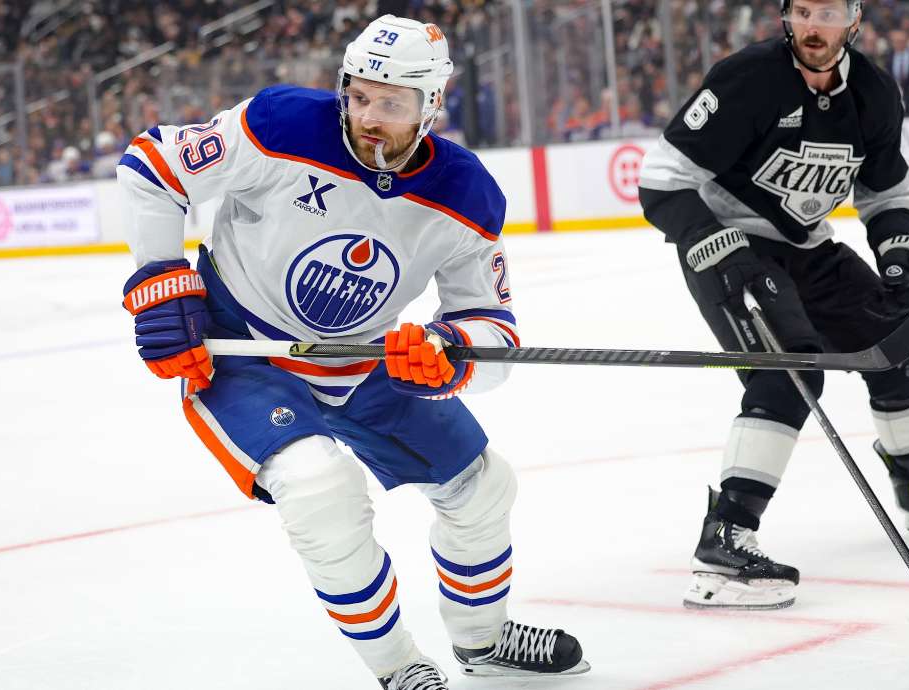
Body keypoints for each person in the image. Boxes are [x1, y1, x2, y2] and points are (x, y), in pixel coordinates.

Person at [115, 15, 588, 689]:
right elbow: (152, 165)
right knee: (319, 487)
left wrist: (451, 351)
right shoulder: (278, 124)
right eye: (358, 96)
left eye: (391, 105)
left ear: (433, 104)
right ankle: (399, 668)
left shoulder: (466, 193)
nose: (368, 117)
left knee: (483, 488)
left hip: (363, 358)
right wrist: (160, 279)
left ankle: (484, 642)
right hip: (241, 349)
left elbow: (493, 330)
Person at [638, 0, 909, 611]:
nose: (812, 26)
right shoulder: (748, 79)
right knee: (790, 374)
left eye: (827, 13)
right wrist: (718, 247)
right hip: (728, 246)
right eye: (801, 10)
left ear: (852, 21)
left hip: (807, 246)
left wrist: (900, 252)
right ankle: (725, 539)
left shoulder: (875, 94)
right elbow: (661, 179)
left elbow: (888, 193)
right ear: (786, 17)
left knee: (899, 344)